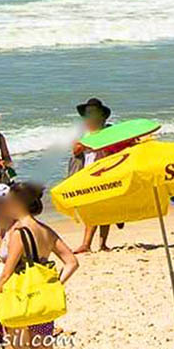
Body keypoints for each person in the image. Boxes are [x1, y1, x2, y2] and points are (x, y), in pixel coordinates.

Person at [0, 182, 79, 349]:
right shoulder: (46, 230)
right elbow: (71, 262)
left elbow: (6, 273)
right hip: (42, 306)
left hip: (20, 301)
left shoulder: (19, 232)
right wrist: (55, 284)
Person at [69, 98, 114, 253]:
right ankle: (87, 244)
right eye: (88, 113)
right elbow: (75, 150)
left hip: (107, 172)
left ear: (102, 115)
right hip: (89, 173)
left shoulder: (110, 130)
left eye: (93, 112)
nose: (90, 116)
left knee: (106, 209)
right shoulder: (84, 133)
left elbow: (115, 150)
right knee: (92, 209)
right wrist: (90, 142)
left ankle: (101, 244)